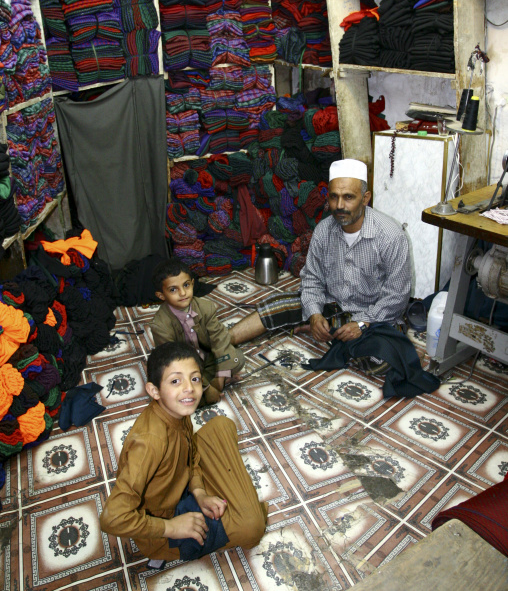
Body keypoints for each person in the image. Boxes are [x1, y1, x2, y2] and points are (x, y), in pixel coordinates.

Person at [230, 158, 412, 374]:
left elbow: (397, 296)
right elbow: (313, 279)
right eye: (334, 197)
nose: (339, 206)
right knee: (279, 304)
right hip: (332, 304)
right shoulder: (324, 230)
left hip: (375, 316)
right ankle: (222, 341)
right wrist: (315, 314)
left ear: (365, 198)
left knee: (381, 360)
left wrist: (363, 324)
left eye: (348, 197)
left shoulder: (391, 236)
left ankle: (332, 331)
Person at [100, 341, 267, 563]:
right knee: (252, 528)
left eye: (194, 378)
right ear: (154, 390)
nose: (189, 388)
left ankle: (212, 491)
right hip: (166, 528)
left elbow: (191, 453)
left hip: (182, 487)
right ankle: (230, 503)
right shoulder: (150, 444)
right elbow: (112, 518)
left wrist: (199, 492)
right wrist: (171, 527)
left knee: (221, 425)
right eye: (175, 381)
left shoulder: (177, 411)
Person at [150, 259, 244, 404]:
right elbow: (174, 363)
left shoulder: (206, 307)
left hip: (208, 360)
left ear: (192, 284)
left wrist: (220, 377)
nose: (182, 293)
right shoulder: (160, 325)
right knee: (173, 397)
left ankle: (217, 381)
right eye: (173, 289)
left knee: (236, 358)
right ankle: (205, 389)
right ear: (161, 295)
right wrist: (206, 388)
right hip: (184, 369)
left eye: (186, 285)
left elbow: (220, 341)